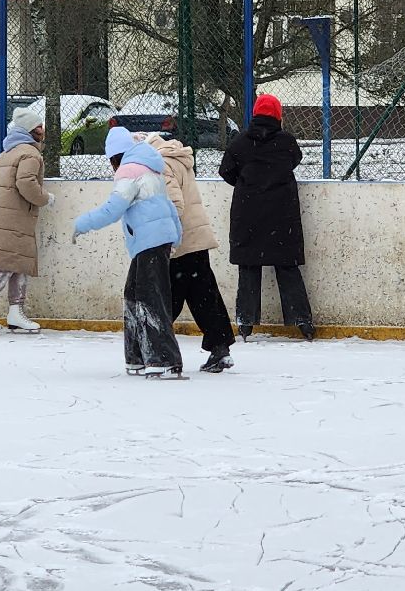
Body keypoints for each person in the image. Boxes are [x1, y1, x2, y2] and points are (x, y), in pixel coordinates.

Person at [73, 127, 187, 378]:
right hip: (156, 241)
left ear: (115, 155)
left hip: (149, 242)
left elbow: (113, 209)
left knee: (149, 298)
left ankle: (164, 359)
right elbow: (167, 205)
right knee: (134, 295)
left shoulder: (129, 170)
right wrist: (175, 235)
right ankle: (136, 356)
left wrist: (82, 224)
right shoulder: (149, 168)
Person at [219, 93, 314, 341]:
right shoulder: (287, 143)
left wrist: (248, 184)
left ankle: (246, 322)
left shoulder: (239, 143)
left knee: (249, 267)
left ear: (255, 114)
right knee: (287, 267)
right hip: (281, 214)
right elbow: (295, 160)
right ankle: (302, 320)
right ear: (278, 116)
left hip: (248, 214)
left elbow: (226, 171)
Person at [143, 127, 236, 373]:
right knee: (204, 296)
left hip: (180, 242)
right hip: (195, 239)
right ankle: (220, 348)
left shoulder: (160, 164)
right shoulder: (175, 158)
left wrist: (166, 236)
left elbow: (174, 204)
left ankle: (154, 348)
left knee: (167, 299)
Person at [0, 105, 49, 334]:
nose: (42, 130)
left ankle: (16, 312)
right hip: (14, 217)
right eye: (38, 126)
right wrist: (45, 198)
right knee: (8, 263)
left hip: (7, 215)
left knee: (18, 261)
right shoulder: (29, 153)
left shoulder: (8, 151)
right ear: (28, 130)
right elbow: (26, 184)